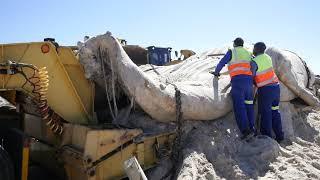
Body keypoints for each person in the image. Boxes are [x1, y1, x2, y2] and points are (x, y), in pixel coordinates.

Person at [211, 38, 255, 140]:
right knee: (249, 105)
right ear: (242, 45)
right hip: (249, 82)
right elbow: (253, 66)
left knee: (239, 106)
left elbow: (222, 63)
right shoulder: (248, 52)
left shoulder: (232, 51)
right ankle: (252, 128)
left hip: (238, 81)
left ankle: (245, 131)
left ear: (234, 44)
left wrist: (217, 72)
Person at [251, 42, 284, 143]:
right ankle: (279, 136)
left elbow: (251, 76)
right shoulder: (268, 57)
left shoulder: (254, 61)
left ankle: (267, 137)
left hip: (266, 90)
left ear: (255, 49)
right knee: (275, 111)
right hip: (276, 87)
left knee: (266, 113)